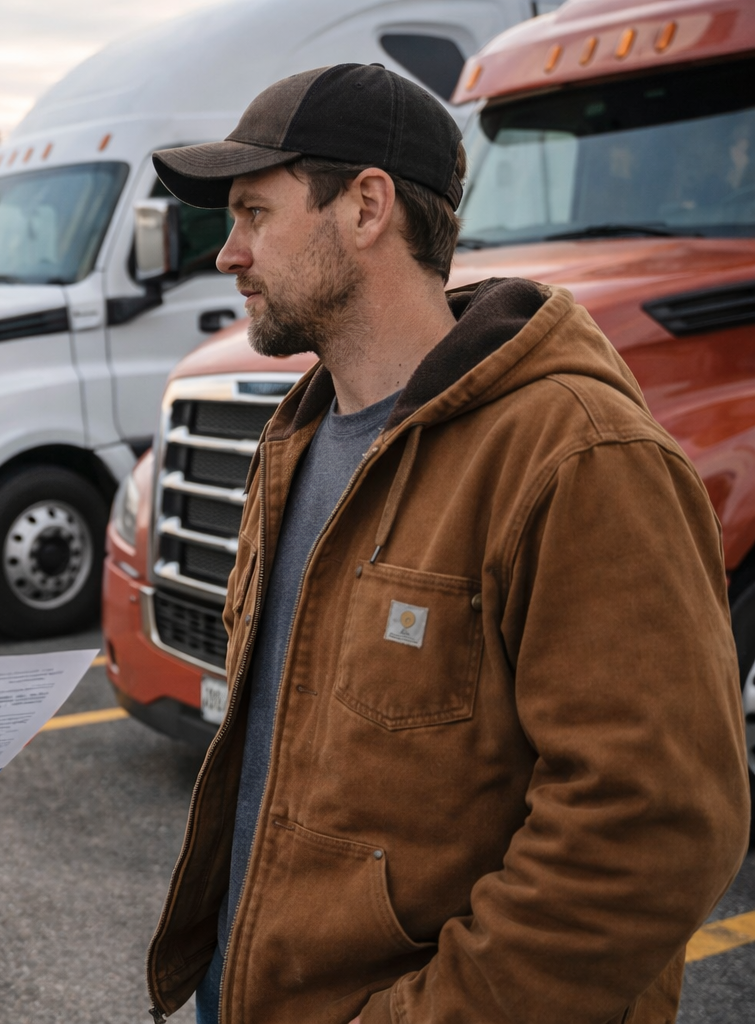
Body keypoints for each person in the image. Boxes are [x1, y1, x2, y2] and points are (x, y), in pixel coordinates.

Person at [142, 64, 750, 1024]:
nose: (229, 253)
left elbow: (651, 832)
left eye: (255, 213)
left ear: (367, 207)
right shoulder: (297, 440)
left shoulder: (579, 455)